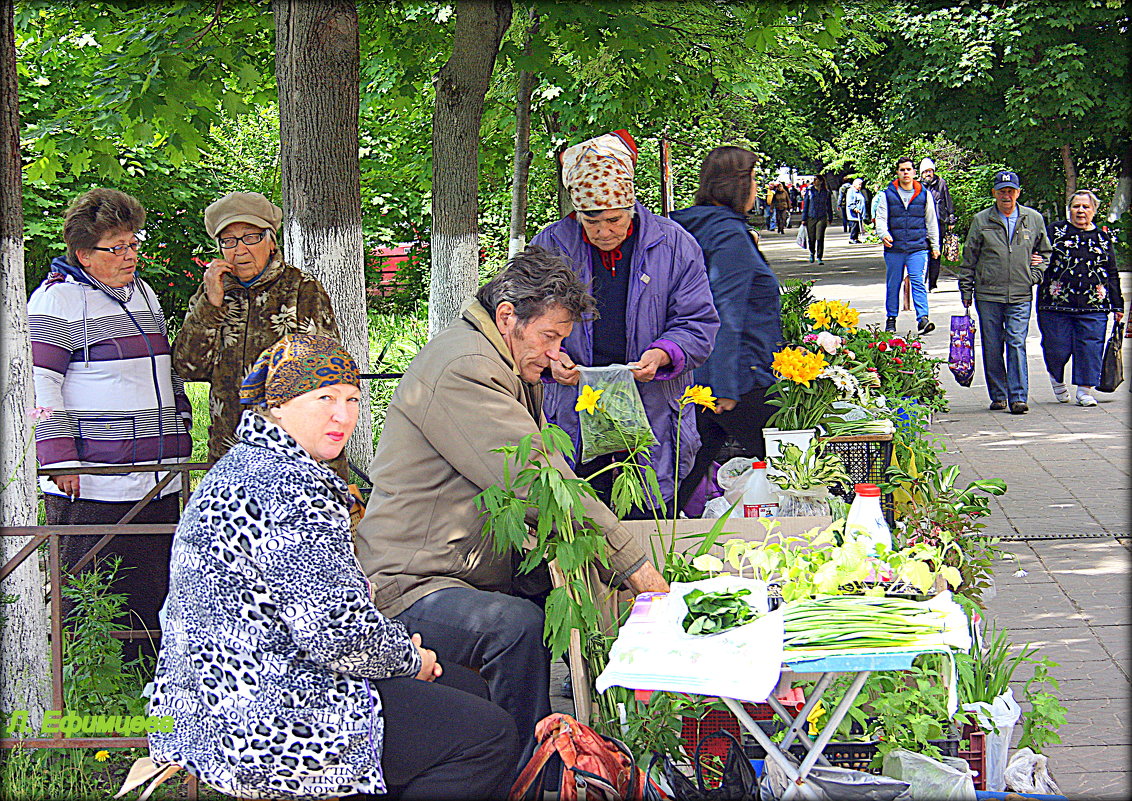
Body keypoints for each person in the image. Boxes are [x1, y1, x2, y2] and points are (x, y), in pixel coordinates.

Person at [147, 334, 518, 800]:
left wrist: (404, 655)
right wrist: (409, 659)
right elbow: (336, 634)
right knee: (490, 737)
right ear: (278, 406)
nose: (342, 416)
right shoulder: (292, 486)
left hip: (206, 704)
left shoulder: (240, 465)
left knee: (464, 689)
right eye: (324, 398)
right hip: (269, 722)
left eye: (352, 399)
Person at [354, 247, 670, 774]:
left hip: (462, 565)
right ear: (507, 317)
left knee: (558, 595)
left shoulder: (493, 358)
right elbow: (540, 485)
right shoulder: (465, 369)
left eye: (561, 340)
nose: (555, 352)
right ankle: (521, 773)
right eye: (549, 337)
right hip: (409, 581)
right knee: (516, 626)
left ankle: (577, 750)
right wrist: (635, 565)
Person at [28, 188, 193, 662]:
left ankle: (148, 683)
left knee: (151, 591)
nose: (130, 256)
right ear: (83, 254)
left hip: (154, 479)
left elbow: (165, 372)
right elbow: (40, 386)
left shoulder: (142, 292)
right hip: (93, 482)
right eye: (115, 248)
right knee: (93, 597)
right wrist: (59, 457)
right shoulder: (57, 303)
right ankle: (89, 692)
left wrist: (179, 436)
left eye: (133, 244)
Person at [529, 129, 719, 514]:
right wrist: (550, 357)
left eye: (613, 220)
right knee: (577, 518)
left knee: (646, 518)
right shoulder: (549, 247)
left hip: (652, 406)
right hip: (574, 407)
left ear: (631, 207)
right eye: (591, 221)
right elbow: (524, 323)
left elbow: (698, 323)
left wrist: (664, 354)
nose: (603, 231)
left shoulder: (675, 244)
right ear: (575, 213)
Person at [172, 191, 340, 468]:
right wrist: (211, 305)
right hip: (231, 450)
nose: (239, 250)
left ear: (271, 242)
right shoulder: (213, 291)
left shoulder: (302, 289)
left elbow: (328, 377)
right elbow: (188, 368)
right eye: (229, 241)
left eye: (251, 237)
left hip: (296, 453)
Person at [670, 147, 783, 512]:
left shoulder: (688, 225)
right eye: (753, 179)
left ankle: (640, 545)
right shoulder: (728, 237)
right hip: (740, 379)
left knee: (681, 476)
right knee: (797, 468)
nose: (756, 188)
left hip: (701, 376)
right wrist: (723, 387)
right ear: (739, 184)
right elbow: (724, 311)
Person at [958, 171, 1052, 415]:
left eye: (1011, 191)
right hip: (988, 293)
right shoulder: (982, 220)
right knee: (992, 345)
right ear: (994, 193)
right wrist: (965, 289)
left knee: (1016, 342)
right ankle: (998, 395)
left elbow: (1046, 253)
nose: (1006, 196)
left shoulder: (1033, 219)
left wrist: (1035, 274)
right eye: (1002, 191)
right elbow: (969, 258)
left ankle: (1018, 397)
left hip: (1020, 293)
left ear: (1018, 193)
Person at [1037, 190, 1125, 406]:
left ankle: (1084, 391)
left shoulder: (1103, 239)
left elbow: (1111, 272)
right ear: (1070, 209)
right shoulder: (1054, 232)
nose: (1081, 211)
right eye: (1076, 206)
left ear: (1094, 210)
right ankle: (1056, 378)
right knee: (1056, 348)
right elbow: (1039, 254)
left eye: (1086, 207)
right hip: (1055, 304)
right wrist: (1035, 260)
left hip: (1094, 305)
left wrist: (1117, 304)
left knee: (1091, 347)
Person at [875, 157, 941, 334]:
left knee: (918, 281)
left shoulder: (924, 194)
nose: (905, 173)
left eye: (908, 169)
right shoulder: (886, 195)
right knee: (893, 283)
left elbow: (931, 221)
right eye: (902, 170)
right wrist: (883, 234)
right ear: (897, 172)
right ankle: (891, 319)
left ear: (914, 173)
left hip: (917, 246)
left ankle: (923, 319)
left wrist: (935, 245)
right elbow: (880, 219)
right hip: (894, 248)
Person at [920, 158, 958, 290]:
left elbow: (948, 202)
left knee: (936, 254)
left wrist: (951, 219)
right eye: (925, 171)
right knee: (923, 253)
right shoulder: (917, 186)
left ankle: (933, 284)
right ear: (921, 173)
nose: (928, 174)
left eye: (930, 171)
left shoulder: (941, 183)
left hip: (939, 223)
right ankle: (921, 282)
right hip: (922, 225)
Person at [801, 175, 835, 264]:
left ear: (821, 181)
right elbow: (806, 205)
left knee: (819, 237)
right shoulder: (809, 191)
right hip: (811, 217)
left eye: (816, 180)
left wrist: (830, 217)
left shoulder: (826, 192)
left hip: (822, 216)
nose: (814, 181)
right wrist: (804, 218)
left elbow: (829, 206)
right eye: (814, 180)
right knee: (811, 238)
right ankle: (812, 252)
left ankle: (819, 256)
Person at [846, 179, 866, 244]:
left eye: (861, 185)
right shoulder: (851, 191)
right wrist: (854, 208)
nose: (860, 186)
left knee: (857, 226)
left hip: (859, 213)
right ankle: (852, 238)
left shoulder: (858, 191)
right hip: (854, 214)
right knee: (854, 226)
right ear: (854, 184)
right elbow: (850, 202)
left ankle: (856, 238)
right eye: (859, 184)